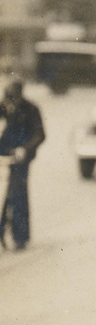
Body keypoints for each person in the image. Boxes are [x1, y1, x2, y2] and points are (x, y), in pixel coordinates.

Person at [0, 78, 45, 251]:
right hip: (5, 153)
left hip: (21, 157)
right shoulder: (5, 106)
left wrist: (24, 149)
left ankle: (19, 236)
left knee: (17, 194)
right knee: (6, 195)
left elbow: (40, 134)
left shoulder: (31, 109)